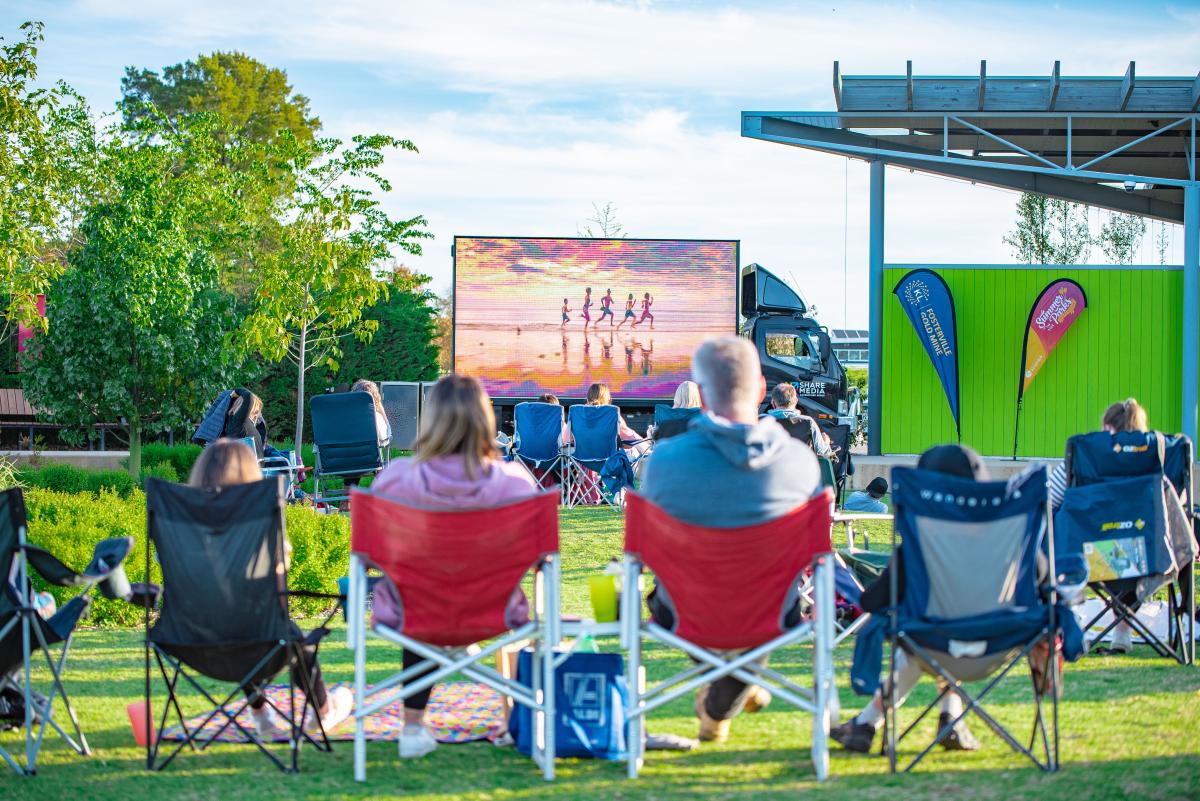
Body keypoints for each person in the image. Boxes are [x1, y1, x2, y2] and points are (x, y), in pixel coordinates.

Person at [639, 336, 822, 743]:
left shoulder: (664, 463)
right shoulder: (800, 462)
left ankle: (718, 704)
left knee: (687, 594)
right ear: (760, 390)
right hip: (774, 613)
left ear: (701, 396)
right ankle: (724, 701)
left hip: (685, 611)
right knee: (766, 594)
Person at [370, 374, 540, 759]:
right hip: (493, 609)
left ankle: (412, 728)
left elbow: (373, 553)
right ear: (485, 419)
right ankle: (517, 717)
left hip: (416, 608)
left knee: (419, 595)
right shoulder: (516, 483)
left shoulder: (396, 479)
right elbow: (538, 558)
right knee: (431, 596)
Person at [832, 444, 1035, 755]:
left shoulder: (918, 546)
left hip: (933, 645)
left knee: (922, 639)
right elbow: (1045, 585)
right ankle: (948, 718)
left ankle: (868, 723)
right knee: (942, 632)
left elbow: (872, 602)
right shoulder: (1011, 540)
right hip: (999, 645)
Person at [188, 440, 353, 741]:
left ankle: (262, 715)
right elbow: (278, 598)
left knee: (245, 629)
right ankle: (324, 710)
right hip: (259, 642)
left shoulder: (185, 524)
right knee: (289, 637)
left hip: (194, 642)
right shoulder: (260, 522)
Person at [1047, 398, 1147, 654]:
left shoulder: (1083, 456)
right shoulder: (1154, 461)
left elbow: (1046, 498)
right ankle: (1122, 632)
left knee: (1051, 518)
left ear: (1106, 427)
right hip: (1140, 559)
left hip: (1082, 558)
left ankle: (1069, 619)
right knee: (1134, 539)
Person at [764, 383, 833, 459]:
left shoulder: (761, 421)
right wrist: (826, 443)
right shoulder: (808, 422)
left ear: (773, 403)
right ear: (796, 401)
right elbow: (822, 452)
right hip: (800, 469)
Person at [223, 388, 268, 457]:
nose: (257, 415)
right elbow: (248, 396)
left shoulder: (232, 422)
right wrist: (236, 391)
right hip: (253, 466)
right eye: (256, 411)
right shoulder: (240, 420)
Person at [352, 379, 392, 450]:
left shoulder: (347, 417)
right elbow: (386, 437)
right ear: (375, 399)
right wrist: (380, 408)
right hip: (370, 459)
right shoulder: (376, 417)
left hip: (345, 459)